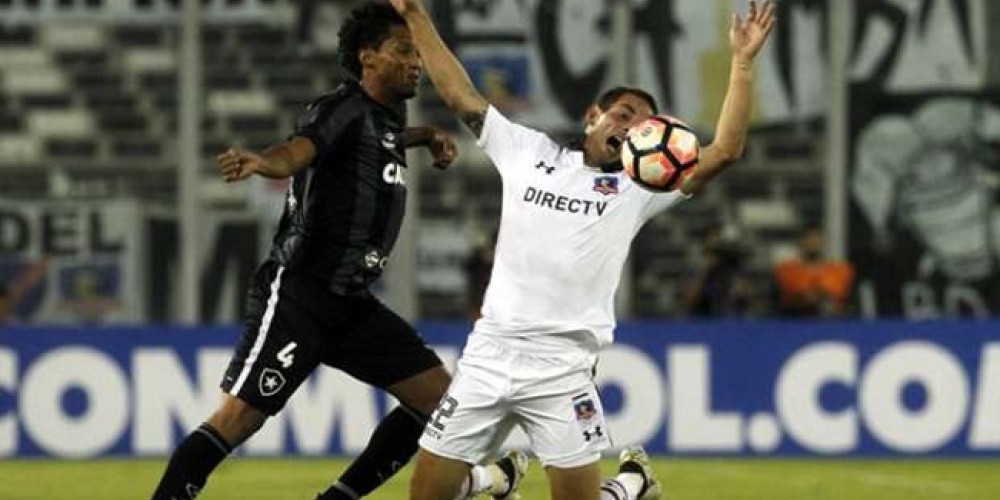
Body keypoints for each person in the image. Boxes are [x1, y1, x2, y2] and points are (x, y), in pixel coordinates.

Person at [389, 1, 775, 499]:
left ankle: (629, 485)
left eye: (642, 125)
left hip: (563, 367)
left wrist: (741, 65)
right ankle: (508, 479)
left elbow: (724, 150)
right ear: (594, 117)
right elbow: (460, 95)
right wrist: (416, 15)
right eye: (623, 114)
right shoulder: (529, 153)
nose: (631, 127)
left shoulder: (638, 191)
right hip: (489, 354)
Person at [150, 4, 526, 500]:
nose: (416, 62)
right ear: (368, 58)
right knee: (239, 419)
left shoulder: (387, 115)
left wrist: (426, 136)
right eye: (403, 51)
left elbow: (382, 139)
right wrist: (265, 162)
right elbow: (301, 149)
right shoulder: (340, 108)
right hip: (300, 294)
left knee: (444, 403)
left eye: (416, 52)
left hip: (350, 300)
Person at [773, 226, 855, 317]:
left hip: (833, 323)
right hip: (796, 321)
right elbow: (795, 294)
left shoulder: (840, 270)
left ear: (824, 242)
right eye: (808, 238)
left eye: (817, 238)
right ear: (801, 241)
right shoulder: (787, 270)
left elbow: (836, 295)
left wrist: (821, 297)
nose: (813, 242)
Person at [683, 224, 757, 318]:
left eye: (719, 242)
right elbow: (690, 300)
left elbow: (751, 300)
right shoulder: (697, 266)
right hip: (702, 317)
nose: (717, 246)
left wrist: (741, 288)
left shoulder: (733, 266)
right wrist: (704, 271)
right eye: (713, 243)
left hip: (728, 317)